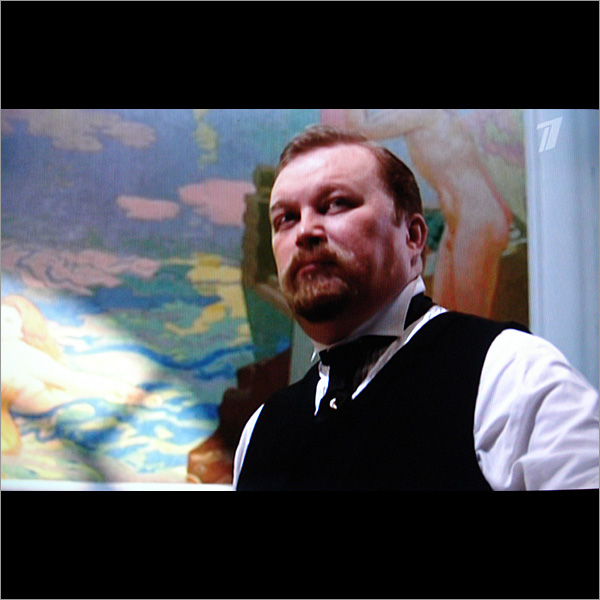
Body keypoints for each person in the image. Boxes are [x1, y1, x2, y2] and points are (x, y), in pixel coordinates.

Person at [233, 125, 599, 491]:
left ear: (412, 236)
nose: (304, 231)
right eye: (286, 218)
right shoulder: (259, 433)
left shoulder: (512, 377)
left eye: (336, 204)